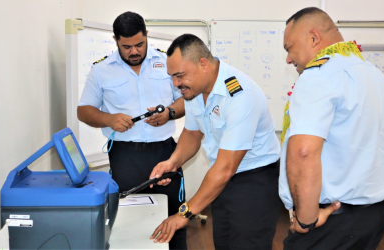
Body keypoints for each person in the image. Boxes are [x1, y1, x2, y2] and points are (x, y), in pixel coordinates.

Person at [149, 34, 282, 250]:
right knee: (223, 243)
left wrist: (184, 213)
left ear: (203, 64)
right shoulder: (194, 92)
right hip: (222, 180)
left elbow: (226, 166)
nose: (176, 84)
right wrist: (172, 162)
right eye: (172, 76)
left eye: (180, 75)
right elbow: (192, 134)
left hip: (254, 182)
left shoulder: (240, 95)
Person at [279, 7, 384, 250]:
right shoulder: (376, 76)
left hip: (332, 222)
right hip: (375, 217)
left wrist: (306, 220)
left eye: (289, 48)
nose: (288, 58)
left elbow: (303, 152)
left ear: (313, 38)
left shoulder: (319, 76)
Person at [77, 11, 187, 249]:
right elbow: (83, 110)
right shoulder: (101, 70)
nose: (134, 51)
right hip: (125, 156)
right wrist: (108, 118)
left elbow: (186, 100)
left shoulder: (165, 62)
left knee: (175, 220)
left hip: (165, 153)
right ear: (115, 40)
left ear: (146, 36)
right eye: (127, 46)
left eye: (139, 44)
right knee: (129, 224)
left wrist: (169, 113)